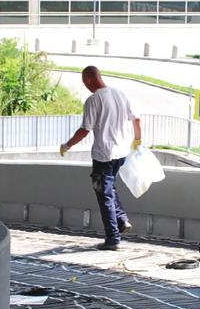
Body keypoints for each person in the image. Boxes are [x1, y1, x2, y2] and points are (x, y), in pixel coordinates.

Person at [60, 66, 141, 251]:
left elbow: (85, 130)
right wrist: (137, 140)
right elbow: (136, 119)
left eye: (84, 82)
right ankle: (121, 220)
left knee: (103, 194)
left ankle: (113, 238)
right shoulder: (120, 94)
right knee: (110, 187)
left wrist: (67, 145)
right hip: (121, 153)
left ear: (89, 80)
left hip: (103, 156)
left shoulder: (93, 100)